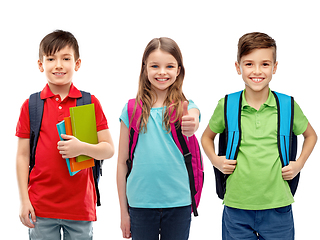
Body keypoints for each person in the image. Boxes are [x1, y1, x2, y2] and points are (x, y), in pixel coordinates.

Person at [201, 32, 317, 240]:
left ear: (274, 67)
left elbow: (311, 136)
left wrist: (298, 164)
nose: (257, 71)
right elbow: (206, 137)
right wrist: (216, 160)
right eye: (249, 64)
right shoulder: (227, 105)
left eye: (264, 64)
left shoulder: (287, 105)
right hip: (236, 206)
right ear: (238, 67)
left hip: (278, 206)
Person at [15, 30, 114, 240]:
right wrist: (24, 201)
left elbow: (108, 149)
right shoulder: (31, 105)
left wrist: (82, 148)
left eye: (65, 58)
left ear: (77, 64)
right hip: (40, 207)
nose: (58, 65)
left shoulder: (89, 102)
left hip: (79, 207)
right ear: (41, 65)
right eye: (51, 59)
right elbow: (22, 156)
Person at [117, 37, 200, 240]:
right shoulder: (130, 109)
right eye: (155, 66)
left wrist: (193, 122)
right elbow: (121, 163)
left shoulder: (185, 107)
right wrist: (123, 212)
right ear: (145, 68)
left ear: (178, 70)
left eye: (169, 66)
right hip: (139, 204)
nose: (162, 72)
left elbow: (194, 117)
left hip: (179, 203)